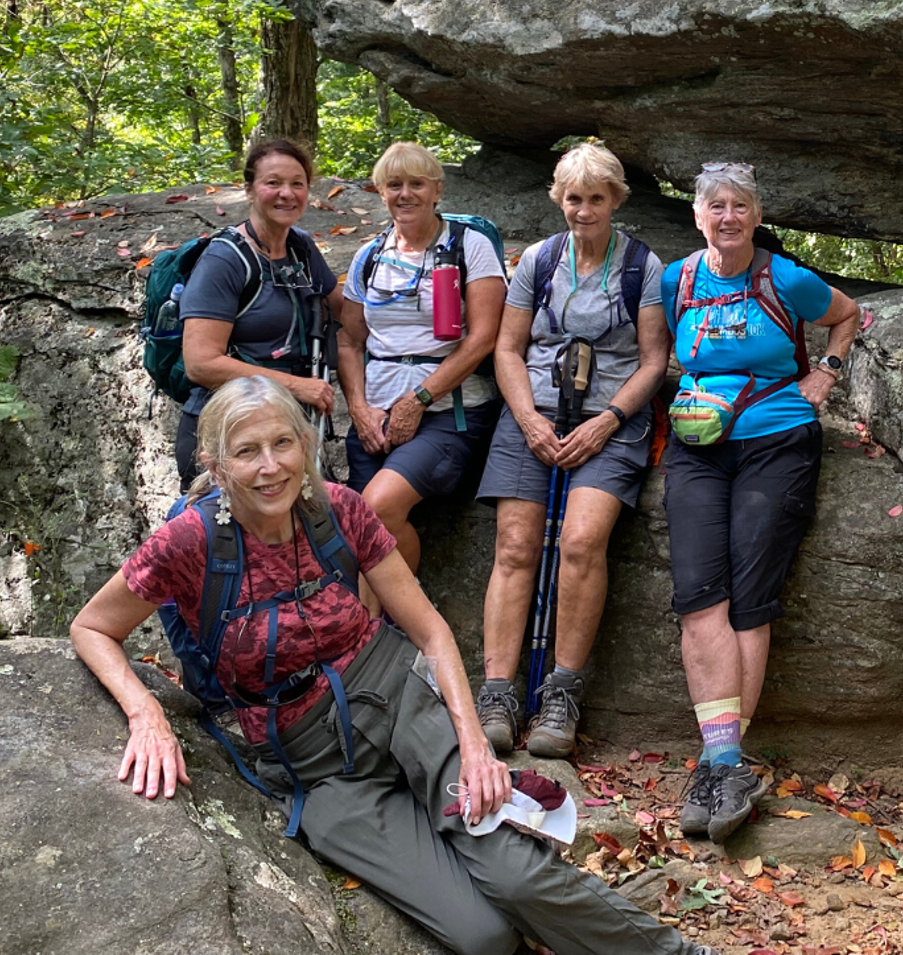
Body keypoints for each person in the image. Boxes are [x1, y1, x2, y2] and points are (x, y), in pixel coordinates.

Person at [70, 376, 719, 955]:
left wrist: (472, 744)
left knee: (514, 875)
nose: (271, 467)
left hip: (397, 695)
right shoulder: (188, 541)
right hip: (315, 766)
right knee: (483, 935)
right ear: (214, 462)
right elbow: (93, 626)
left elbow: (429, 628)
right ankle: (456, 843)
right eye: (247, 452)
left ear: (305, 443)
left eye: (283, 443)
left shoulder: (339, 509)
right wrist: (146, 711)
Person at [661, 162, 862, 844]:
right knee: (698, 595)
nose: (727, 216)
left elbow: (847, 314)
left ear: (754, 213)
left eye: (738, 205)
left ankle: (724, 763)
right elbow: (663, 351)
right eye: (715, 204)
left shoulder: (784, 277)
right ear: (697, 215)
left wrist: (824, 373)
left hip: (776, 440)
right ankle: (723, 760)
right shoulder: (678, 279)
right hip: (695, 445)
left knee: (749, 594)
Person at [476, 142, 670, 759]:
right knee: (514, 545)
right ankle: (499, 693)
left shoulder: (644, 266)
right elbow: (507, 348)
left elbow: (653, 359)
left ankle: (562, 693)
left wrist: (609, 420)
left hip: (609, 420)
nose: (582, 210)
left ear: (615, 200)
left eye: (595, 199)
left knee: (582, 542)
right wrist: (528, 419)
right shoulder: (538, 260)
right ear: (559, 199)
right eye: (572, 198)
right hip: (533, 414)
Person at [337, 141, 506, 571]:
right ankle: (373, 632)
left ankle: (404, 626)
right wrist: (358, 407)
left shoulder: (470, 247)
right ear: (380, 191)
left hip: (449, 413)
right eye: (394, 185)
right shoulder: (369, 255)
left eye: (417, 183)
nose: (405, 194)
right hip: (376, 414)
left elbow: (483, 338)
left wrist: (419, 400)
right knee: (354, 528)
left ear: (437, 190)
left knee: (375, 507)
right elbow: (350, 341)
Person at [175, 137, 342, 489]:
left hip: (284, 430)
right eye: (273, 183)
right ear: (250, 190)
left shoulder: (300, 247)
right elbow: (201, 363)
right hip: (229, 437)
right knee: (232, 542)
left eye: (297, 184)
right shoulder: (224, 260)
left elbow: (342, 306)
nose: (287, 193)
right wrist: (298, 386)